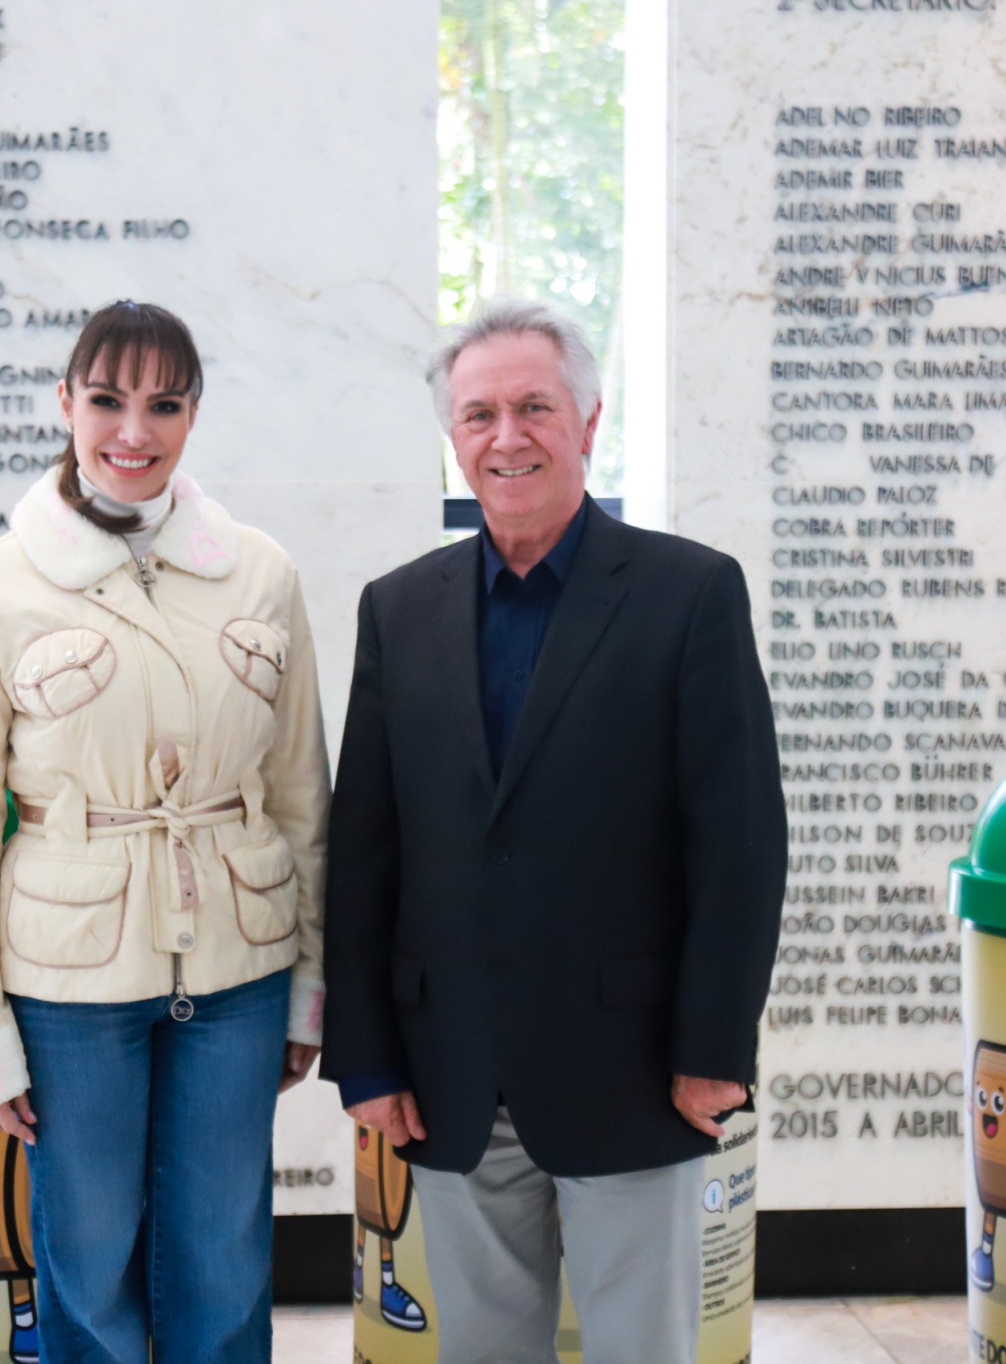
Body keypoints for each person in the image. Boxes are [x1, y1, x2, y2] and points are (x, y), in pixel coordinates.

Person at [322, 298, 786, 1364]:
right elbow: (365, 849)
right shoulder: (397, 608)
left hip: (635, 1063)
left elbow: (741, 842)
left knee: (641, 1346)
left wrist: (715, 1048)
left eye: (534, 405)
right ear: (454, 438)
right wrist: (366, 1055)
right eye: (479, 413)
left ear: (587, 421)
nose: (506, 434)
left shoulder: (689, 593)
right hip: (450, 1064)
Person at [0, 300, 330, 1364]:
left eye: (164, 403)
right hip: (66, 977)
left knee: (224, 1253)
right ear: (65, 402)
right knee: (88, 1259)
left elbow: (299, 796)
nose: (132, 430)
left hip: (237, 961)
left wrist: (309, 978)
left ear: (195, 415)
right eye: (106, 399)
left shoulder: (259, 571)